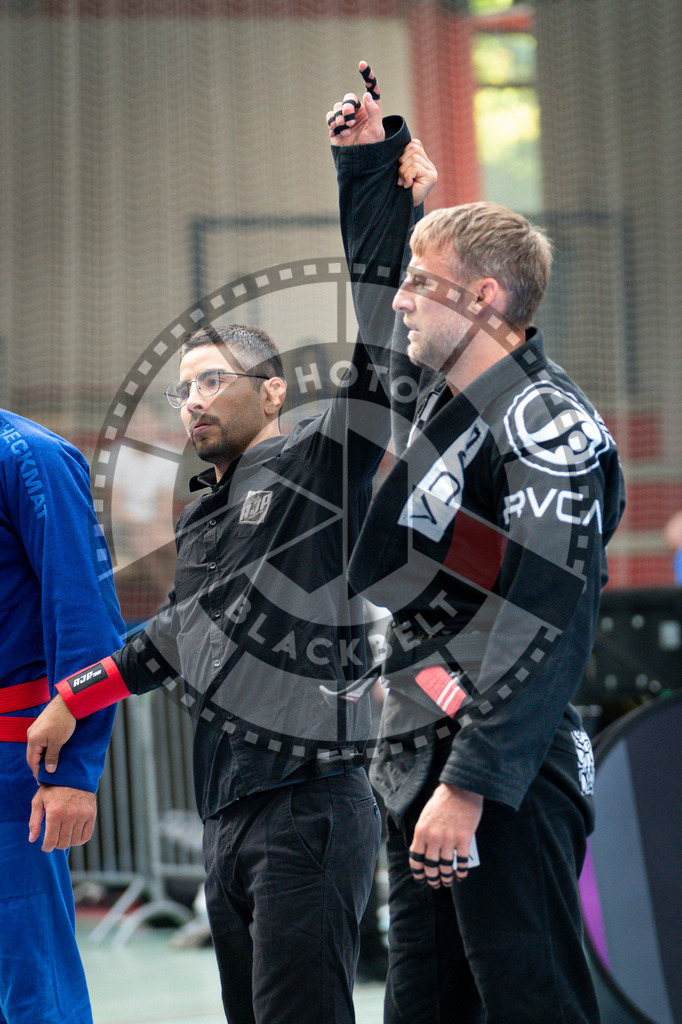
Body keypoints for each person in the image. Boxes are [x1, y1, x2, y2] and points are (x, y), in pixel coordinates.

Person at [27, 68, 437, 1024]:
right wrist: (79, 691)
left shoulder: (316, 467)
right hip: (230, 812)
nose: (195, 400)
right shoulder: (206, 507)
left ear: (275, 391)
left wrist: (365, 169)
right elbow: (185, 628)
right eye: (183, 388)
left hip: (309, 801)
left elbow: (381, 347)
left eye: (216, 381)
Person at [328, 70, 626, 1023]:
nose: (404, 299)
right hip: (421, 753)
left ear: (486, 296)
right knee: (425, 1005)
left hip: (504, 771)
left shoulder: (544, 424)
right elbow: (384, 299)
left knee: (528, 1003)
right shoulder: (447, 392)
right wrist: (373, 166)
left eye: (429, 284)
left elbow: (545, 618)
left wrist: (467, 786)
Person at [0, 409, 124, 1024]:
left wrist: (73, 771)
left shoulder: (29, 457)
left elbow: (85, 620)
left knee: (29, 976)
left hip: (14, 768)